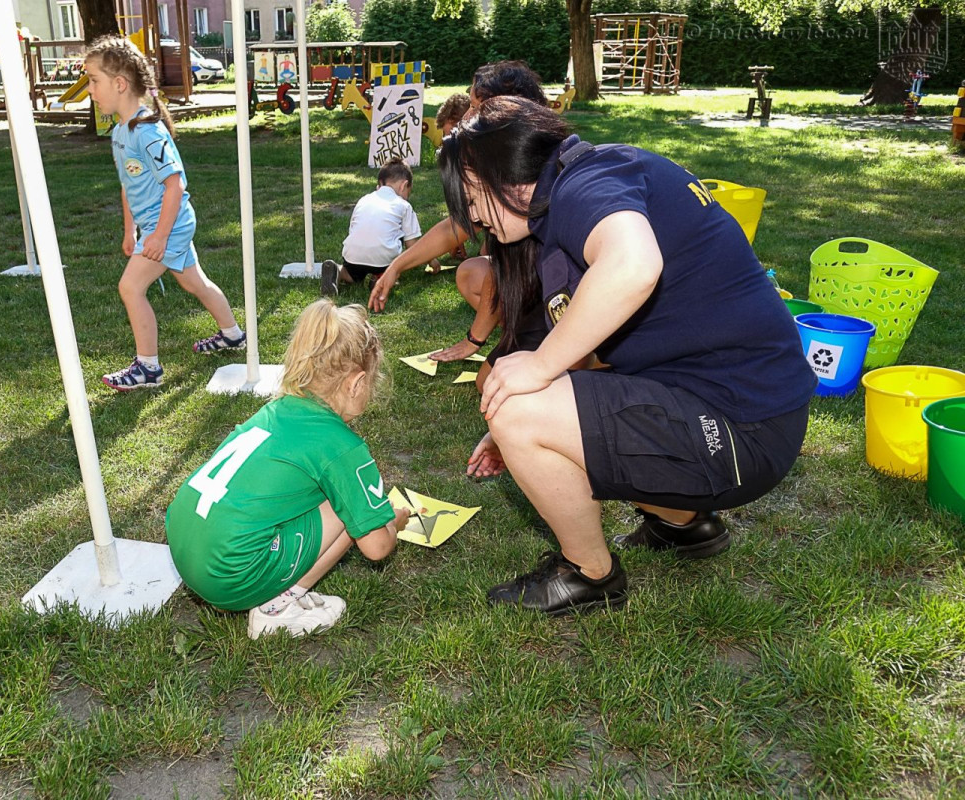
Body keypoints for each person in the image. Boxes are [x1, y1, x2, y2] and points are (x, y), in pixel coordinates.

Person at [440, 96, 816, 614]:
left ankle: (589, 575)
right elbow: (593, 349)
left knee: (515, 403)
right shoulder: (584, 184)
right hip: (745, 415)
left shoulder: (583, 186)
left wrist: (534, 382)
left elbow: (634, 265)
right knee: (516, 402)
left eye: (472, 199)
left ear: (495, 173)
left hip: (740, 432)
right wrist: (526, 417)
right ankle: (684, 525)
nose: (475, 218)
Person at [166, 300, 408, 639]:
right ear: (356, 384)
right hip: (228, 576)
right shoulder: (342, 446)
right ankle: (275, 609)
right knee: (350, 508)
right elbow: (377, 548)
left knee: (328, 495)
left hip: (186, 549)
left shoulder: (276, 408)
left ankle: (255, 580)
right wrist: (393, 524)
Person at [369, 62, 552, 387]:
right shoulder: (504, 167)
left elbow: (505, 270)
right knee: (471, 272)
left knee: (494, 386)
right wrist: (396, 266)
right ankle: (526, 337)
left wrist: (474, 340)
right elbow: (456, 228)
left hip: (571, 305)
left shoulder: (529, 179)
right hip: (549, 296)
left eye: (475, 106)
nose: (467, 116)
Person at [85, 35, 246, 393]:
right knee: (194, 282)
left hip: (170, 227)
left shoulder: (148, 131)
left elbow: (175, 185)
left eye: (94, 81)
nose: (90, 90)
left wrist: (156, 236)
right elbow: (128, 186)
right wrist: (131, 232)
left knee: (130, 287)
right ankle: (233, 336)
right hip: (157, 228)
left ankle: (148, 369)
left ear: (120, 84)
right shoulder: (119, 134)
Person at [321, 159, 438, 297]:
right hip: (383, 260)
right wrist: (431, 259)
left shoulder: (363, 200)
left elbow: (353, 229)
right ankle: (381, 278)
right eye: (408, 192)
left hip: (353, 256)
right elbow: (412, 245)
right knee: (396, 261)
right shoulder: (403, 205)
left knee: (351, 275)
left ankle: (338, 272)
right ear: (404, 186)